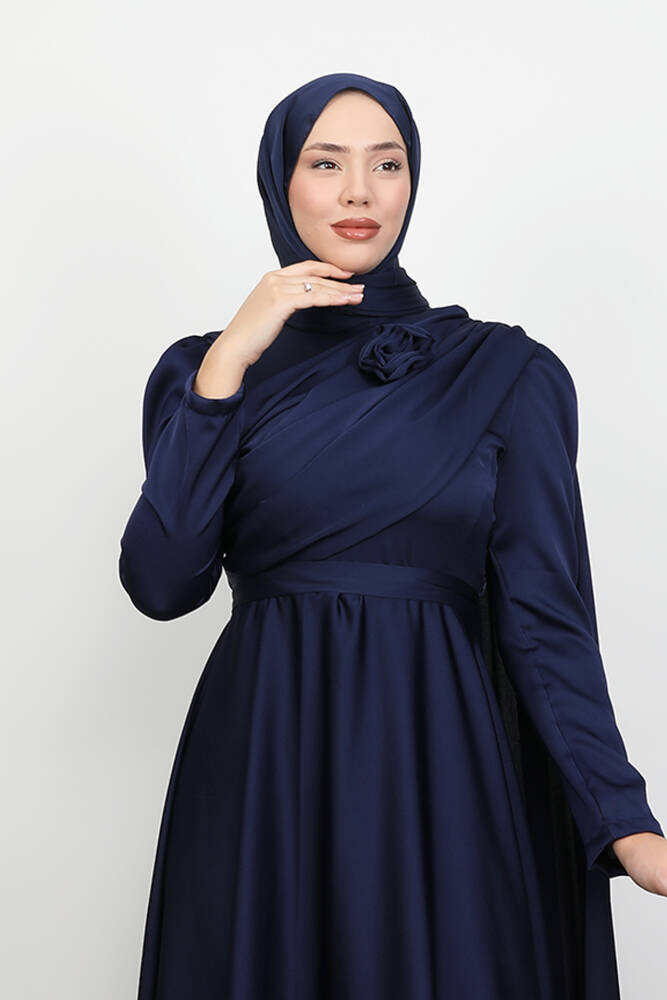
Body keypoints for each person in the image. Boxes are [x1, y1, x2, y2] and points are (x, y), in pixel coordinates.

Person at [119, 72, 666, 999]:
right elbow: (161, 583)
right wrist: (228, 361)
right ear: (279, 182)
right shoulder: (200, 371)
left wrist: (622, 818)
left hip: (436, 765)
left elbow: (546, 620)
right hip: (262, 761)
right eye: (325, 163)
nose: (359, 192)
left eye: (386, 164)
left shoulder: (504, 373)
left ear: (413, 181)